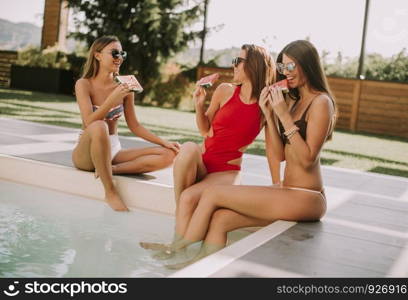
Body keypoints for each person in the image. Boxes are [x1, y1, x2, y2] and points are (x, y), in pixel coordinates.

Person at [162, 40, 337, 269]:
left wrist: (283, 117)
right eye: (283, 68)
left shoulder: (321, 102)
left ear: (307, 65)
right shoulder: (295, 103)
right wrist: (269, 112)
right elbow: (280, 154)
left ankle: (179, 250)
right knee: (220, 219)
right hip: (288, 190)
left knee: (213, 194)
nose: (286, 73)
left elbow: (307, 159)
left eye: (291, 66)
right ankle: (199, 266)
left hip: (308, 196)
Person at [140, 44, 276, 258]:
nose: (234, 65)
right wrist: (199, 104)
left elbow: (273, 146)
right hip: (204, 163)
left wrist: (277, 183)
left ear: (253, 65)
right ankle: (178, 244)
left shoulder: (264, 104)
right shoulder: (225, 90)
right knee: (188, 147)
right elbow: (205, 129)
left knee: (188, 197)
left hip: (226, 172)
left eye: (238, 61)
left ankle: (175, 248)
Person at [72, 36, 179, 212]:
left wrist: (164, 142)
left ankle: (110, 169)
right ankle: (110, 191)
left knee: (169, 155)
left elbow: (134, 125)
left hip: (113, 149)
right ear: (97, 55)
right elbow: (88, 122)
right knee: (100, 126)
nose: (119, 57)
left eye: (122, 53)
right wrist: (111, 100)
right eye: (114, 53)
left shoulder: (126, 86)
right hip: (87, 150)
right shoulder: (84, 84)